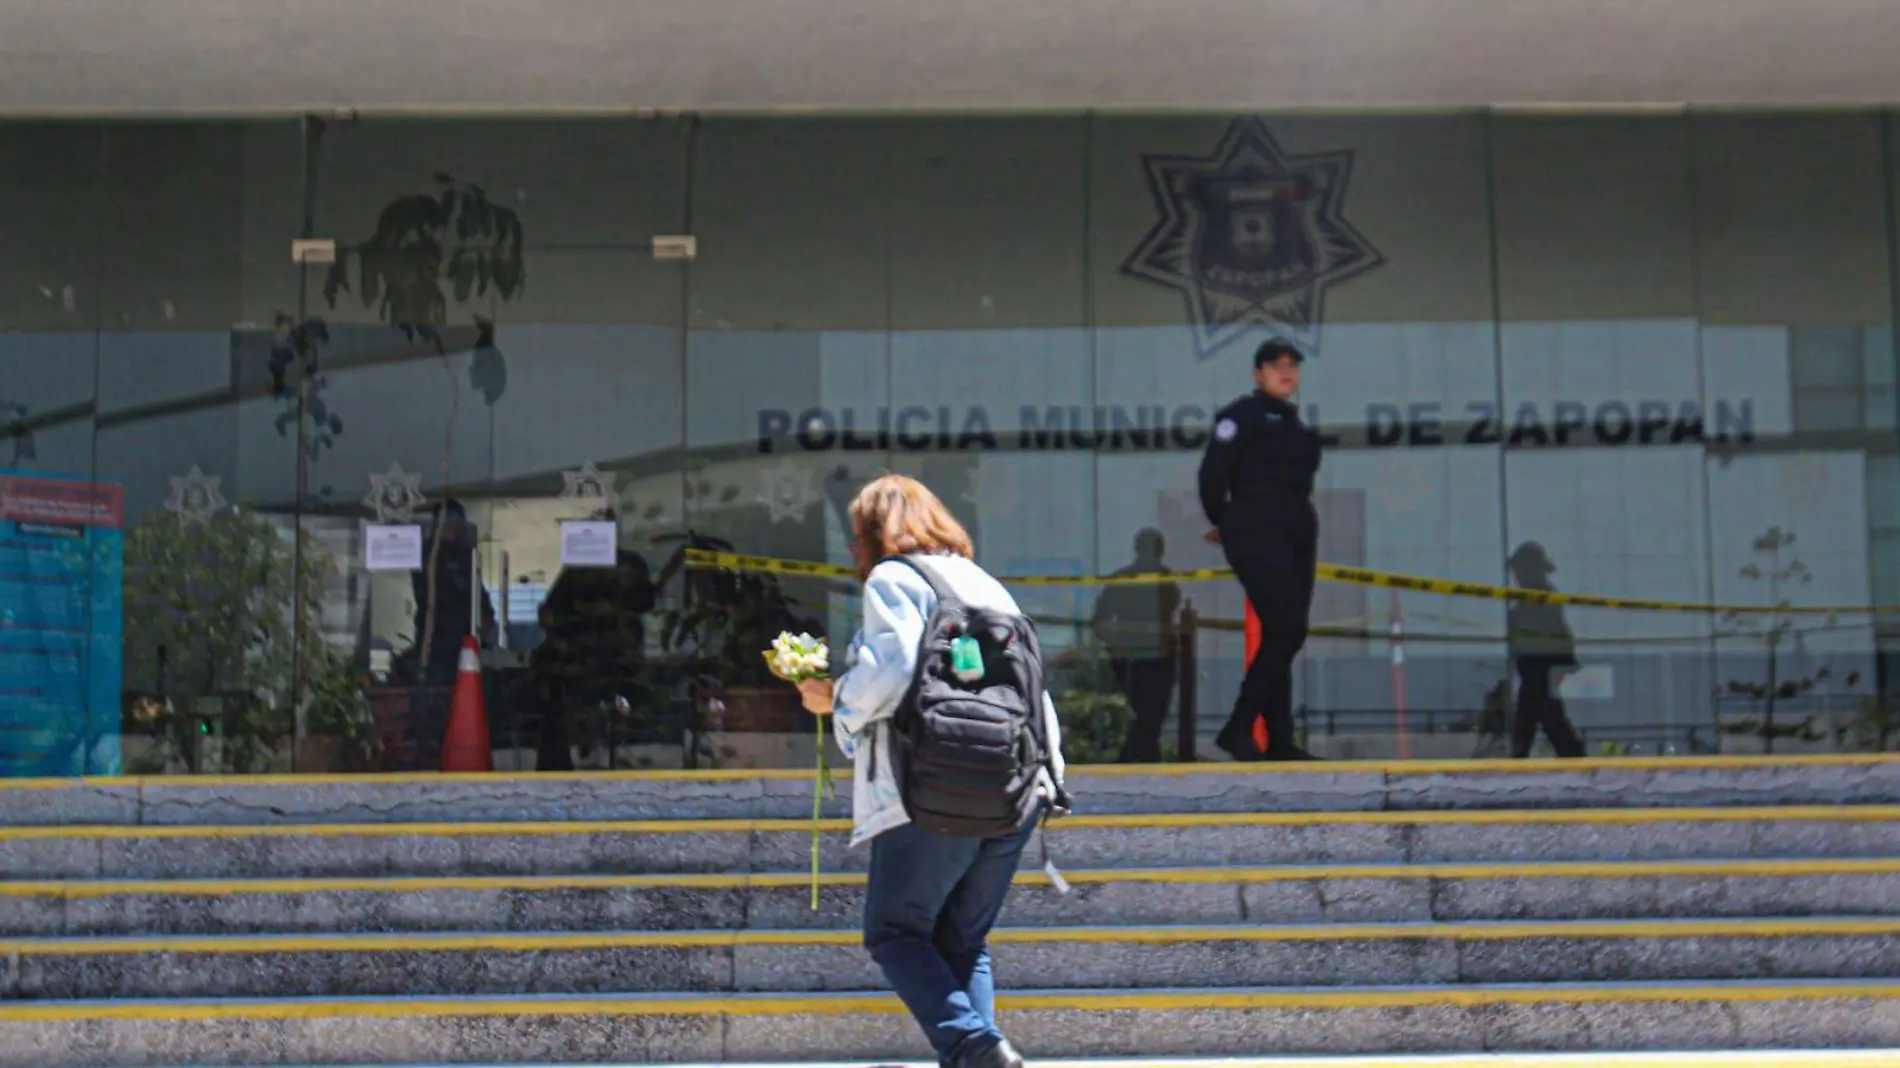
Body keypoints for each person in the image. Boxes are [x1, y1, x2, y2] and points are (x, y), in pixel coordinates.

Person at [794, 474, 1069, 1068]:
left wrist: (834, 700)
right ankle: (980, 1056)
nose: (851, 550)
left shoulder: (895, 578)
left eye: (856, 535)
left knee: (894, 931)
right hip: (1016, 790)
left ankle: (974, 1045)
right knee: (962, 941)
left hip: (932, 790)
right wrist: (1048, 780)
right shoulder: (986, 584)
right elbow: (1034, 687)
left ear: (873, 534)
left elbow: (889, 670)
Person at [1198, 337, 1321, 761]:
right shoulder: (1242, 416)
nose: (1286, 371)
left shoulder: (1294, 423)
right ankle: (1238, 725)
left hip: (1295, 534)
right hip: (1258, 531)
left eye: (1292, 365)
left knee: (1281, 633)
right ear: (1258, 373)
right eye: (1275, 364)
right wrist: (1226, 523)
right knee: (1287, 629)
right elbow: (1213, 475)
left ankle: (1281, 738)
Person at [1091, 529, 1181, 763]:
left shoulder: (1164, 579)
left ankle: (1137, 760)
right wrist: (1117, 647)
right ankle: (1136, 762)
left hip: (1156, 656)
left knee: (1151, 718)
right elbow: (1100, 621)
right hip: (1135, 659)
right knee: (1148, 717)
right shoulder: (1134, 580)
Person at [1505, 541, 1586, 758]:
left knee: (1537, 716)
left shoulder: (1543, 599)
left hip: (1540, 666)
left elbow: (1551, 634)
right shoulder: (1525, 602)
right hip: (1535, 668)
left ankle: (1573, 760)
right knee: (1545, 716)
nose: (1517, 576)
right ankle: (1574, 759)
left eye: (1520, 570)